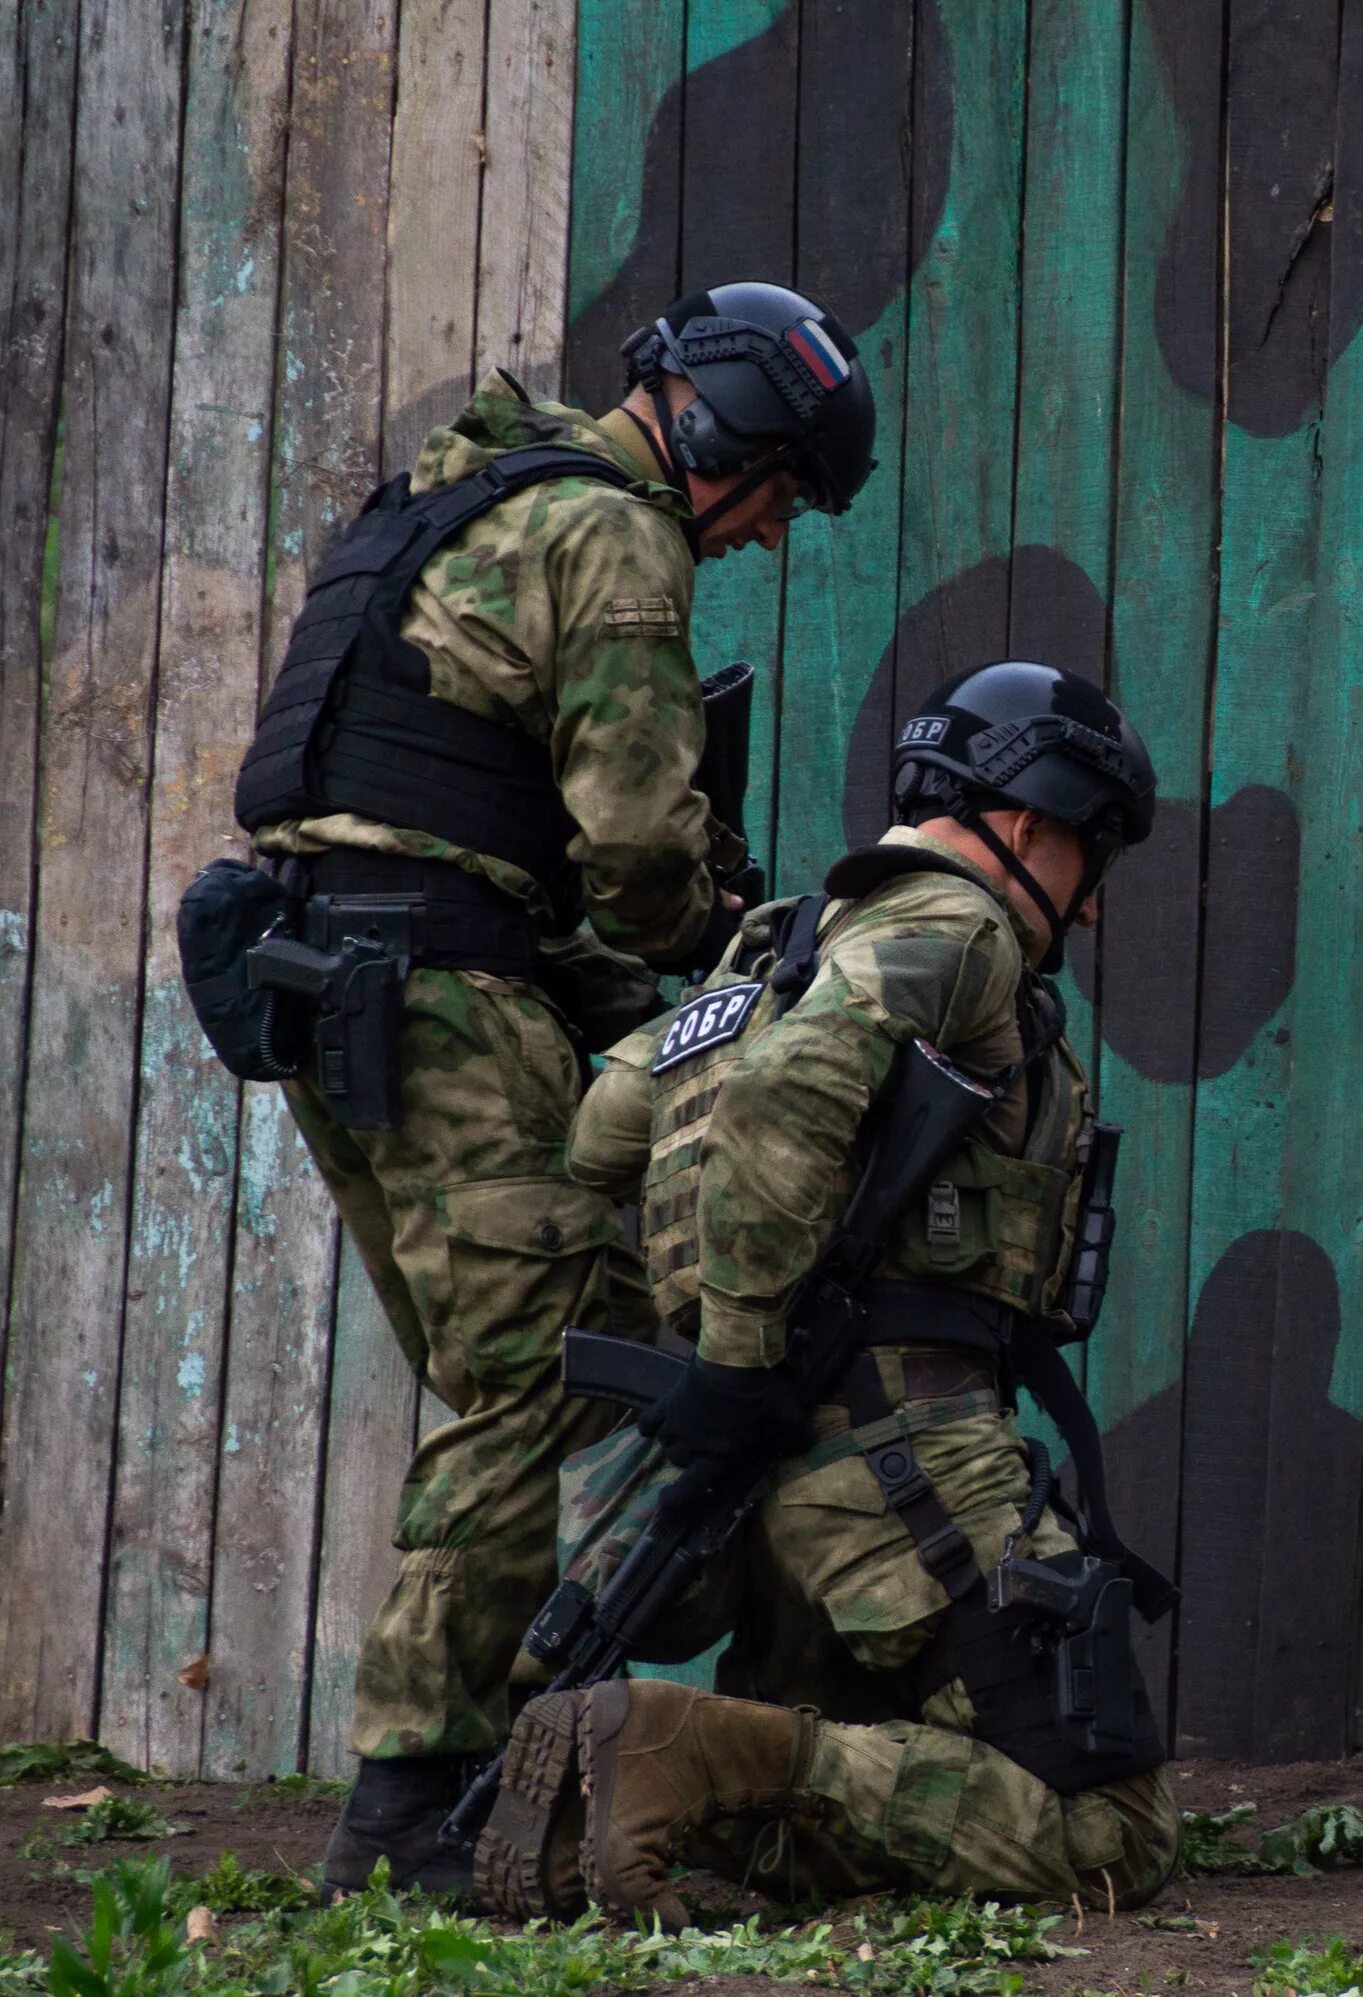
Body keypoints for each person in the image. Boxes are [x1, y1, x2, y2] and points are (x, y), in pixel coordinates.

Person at [218, 280, 878, 1892]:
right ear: (717, 425)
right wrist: (735, 952)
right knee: (552, 1373)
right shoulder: (611, 535)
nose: (770, 531)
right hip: (439, 1004)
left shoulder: (453, 494)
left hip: (339, 987)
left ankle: (490, 1749)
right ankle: (407, 1807)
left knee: (509, 1369)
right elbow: (639, 850)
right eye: (779, 487)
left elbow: (421, 796)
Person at [472, 661, 1179, 1925]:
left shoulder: (778, 944)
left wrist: (734, 1358)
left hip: (785, 1465)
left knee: (834, 1801)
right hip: (901, 1449)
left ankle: (641, 1791)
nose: (1092, 901)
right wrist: (746, 1346)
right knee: (1109, 1832)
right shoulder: (958, 931)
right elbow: (783, 1096)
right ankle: (685, 1748)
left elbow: (607, 1129)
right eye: (1095, 856)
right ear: (1029, 828)